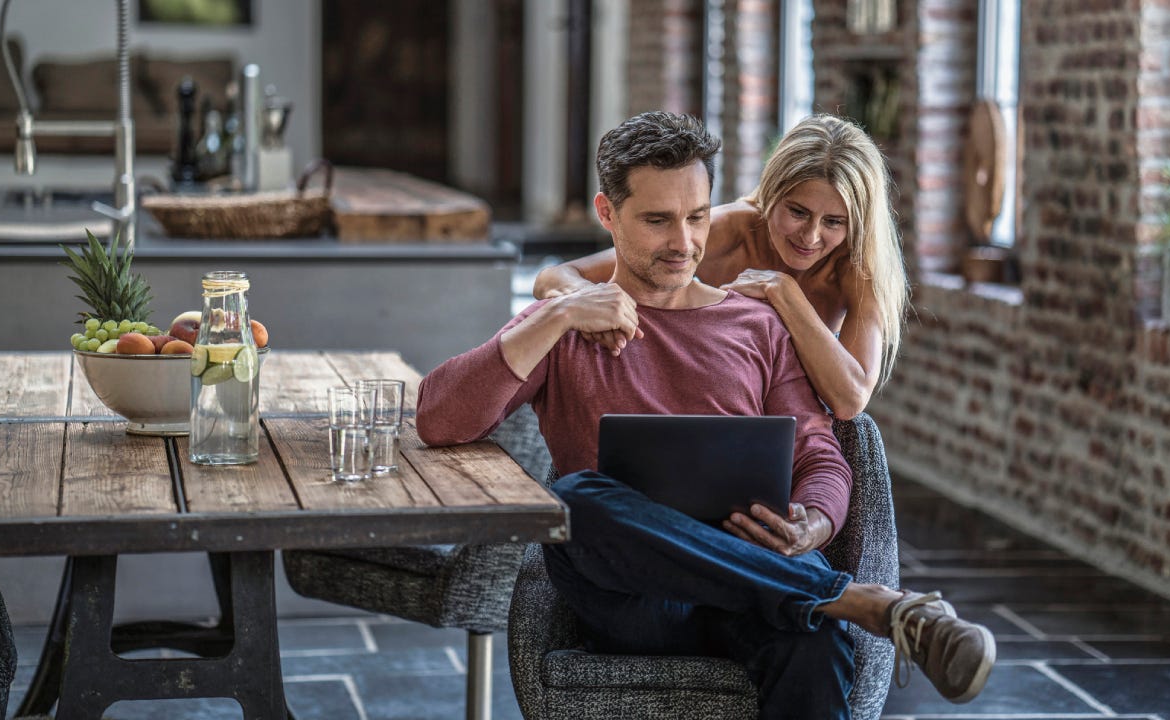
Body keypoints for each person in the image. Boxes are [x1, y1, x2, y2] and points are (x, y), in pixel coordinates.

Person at [417, 112, 994, 717]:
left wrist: (817, 524)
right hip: (636, 600)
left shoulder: (760, 324)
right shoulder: (569, 323)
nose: (684, 242)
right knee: (577, 501)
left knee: (814, 644)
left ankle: (825, 601)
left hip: (754, 589)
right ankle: (857, 601)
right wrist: (557, 316)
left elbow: (821, 452)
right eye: (658, 220)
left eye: (696, 217)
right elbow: (438, 418)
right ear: (607, 214)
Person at [532, 113, 907, 420]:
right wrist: (593, 305)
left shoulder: (858, 267)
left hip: (797, 423)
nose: (810, 237)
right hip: (700, 405)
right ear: (771, 193)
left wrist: (785, 293)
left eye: (834, 222)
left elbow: (850, 400)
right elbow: (555, 277)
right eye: (798, 212)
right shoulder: (723, 230)